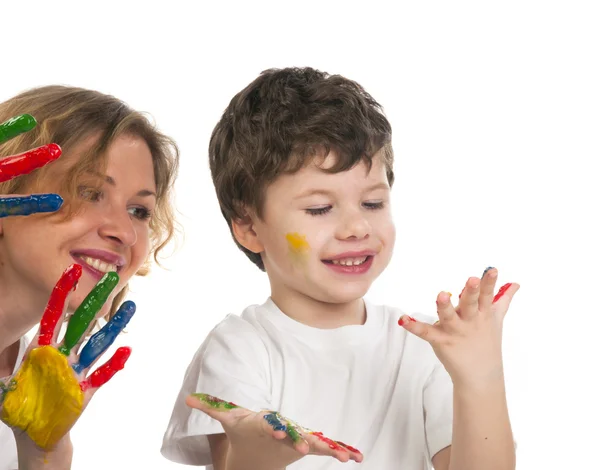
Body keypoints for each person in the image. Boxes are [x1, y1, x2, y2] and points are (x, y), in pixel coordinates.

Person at [162, 67, 518, 470]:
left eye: (372, 203)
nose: (356, 228)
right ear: (248, 227)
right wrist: (253, 452)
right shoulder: (241, 347)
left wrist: (481, 378)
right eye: (320, 209)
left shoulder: (424, 347)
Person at [0, 86, 179, 470]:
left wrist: (44, 456)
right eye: (89, 192)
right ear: (7, 186)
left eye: (139, 210)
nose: (125, 233)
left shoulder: (36, 384)